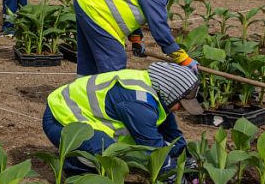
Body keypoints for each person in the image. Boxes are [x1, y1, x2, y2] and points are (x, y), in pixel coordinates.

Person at [43, 62, 204, 173]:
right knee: (104, 151)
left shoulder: (157, 94)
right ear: (170, 94)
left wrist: (187, 158)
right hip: (60, 119)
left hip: (80, 119)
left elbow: (172, 134)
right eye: (181, 104)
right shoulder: (139, 103)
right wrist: (174, 177)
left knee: (119, 152)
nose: (181, 109)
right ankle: (75, 170)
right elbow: (153, 149)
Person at [72, 0, 207, 76]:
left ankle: (80, 98)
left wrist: (136, 38)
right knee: (115, 62)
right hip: (97, 10)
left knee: (89, 62)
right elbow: (158, 26)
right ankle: (108, 100)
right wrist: (182, 58)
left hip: (86, 0)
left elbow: (126, 3)